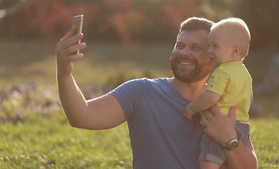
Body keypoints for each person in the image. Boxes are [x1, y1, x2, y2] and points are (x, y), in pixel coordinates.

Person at [56, 17, 257, 169]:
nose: (184, 52)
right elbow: (82, 116)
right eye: (180, 45)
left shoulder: (224, 104)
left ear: (214, 56)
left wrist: (229, 140)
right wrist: (65, 73)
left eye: (197, 48)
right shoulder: (141, 92)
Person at [184, 18, 253, 169]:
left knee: (208, 161)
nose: (209, 51)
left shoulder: (221, 71)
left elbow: (210, 98)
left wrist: (192, 108)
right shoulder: (244, 73)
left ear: (235, 50)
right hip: (241, 127)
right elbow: (249, 97)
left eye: (215, 46)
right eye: (208, 46)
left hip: (217, 124)